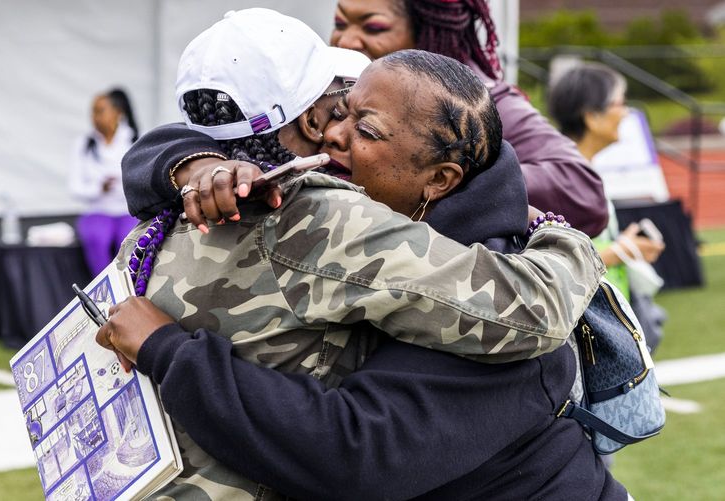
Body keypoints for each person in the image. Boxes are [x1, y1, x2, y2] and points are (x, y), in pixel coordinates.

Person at [98, 9, 623, 500]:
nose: (333, 134)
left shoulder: (452, 274)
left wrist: (560, 235)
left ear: (441, 179)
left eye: (362, 126)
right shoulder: (294, 202)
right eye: (339, 111)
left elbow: (359, 450)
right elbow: (158, 145)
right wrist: (191, 163)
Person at [120, 1, 607, 236]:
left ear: (426, 29)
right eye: (339, 22)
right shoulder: (324, 107)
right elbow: (161, 147)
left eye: (372, 26)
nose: (348, 40)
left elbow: (581, 190)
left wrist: (412, 176)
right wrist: (200, 165)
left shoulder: (479, 105)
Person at [548, 63, 666, 351]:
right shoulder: (564, 178)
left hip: (602, 318)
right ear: (591, 116)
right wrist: (622, 250)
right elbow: (556, 259)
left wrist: (624, 247)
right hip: (589, 328)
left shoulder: (577, 169)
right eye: (619, 103)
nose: (626, 112)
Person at [68, 88, 139, 276]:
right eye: (92, 111)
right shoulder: (84, 143)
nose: (94, 117)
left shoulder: (135, 140)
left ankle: (130, 289)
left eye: (100, 111)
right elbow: (75, 187)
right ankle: (105, 289)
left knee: (129, 240)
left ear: (118, 112)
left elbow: (142, 180)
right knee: (97, 238)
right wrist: (99, 188)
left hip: (128, 210)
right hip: (97, 210)